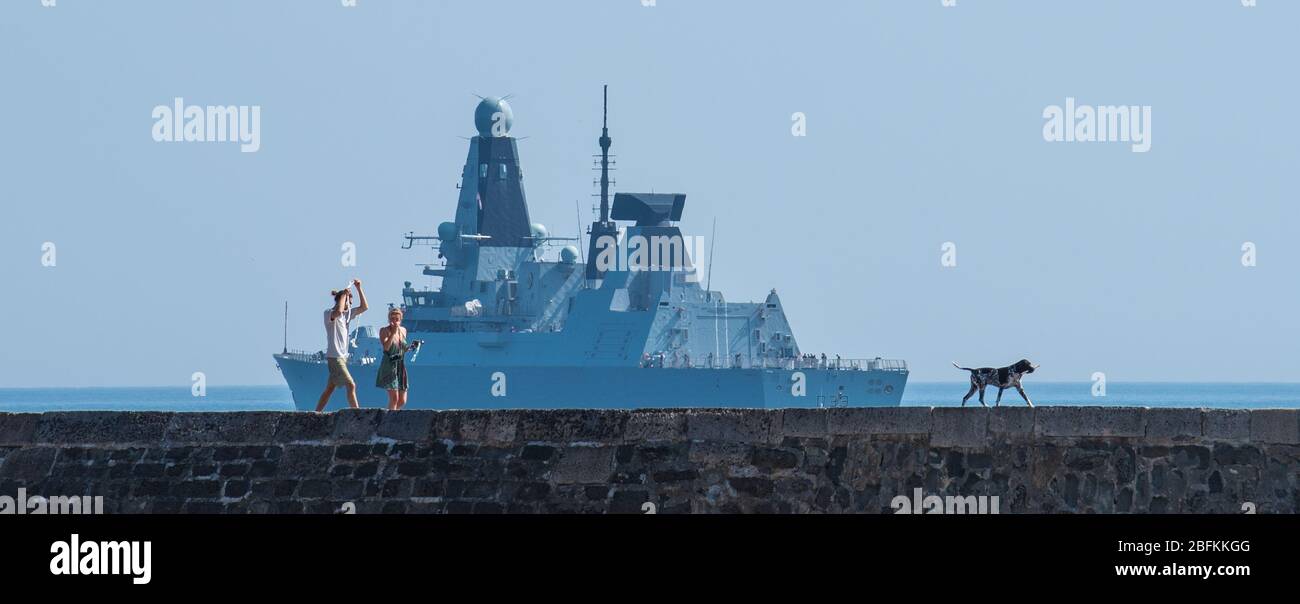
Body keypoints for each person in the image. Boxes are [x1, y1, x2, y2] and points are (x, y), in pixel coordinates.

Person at [315, 280, 369, 412]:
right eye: (348, 302)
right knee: (351, 385)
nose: (350, 305)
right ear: (341, 300)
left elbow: (364, 307)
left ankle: (316, 412)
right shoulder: (329, 313)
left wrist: (358, 288)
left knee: (329, 389)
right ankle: (357, 413)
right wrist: (344, 295)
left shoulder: (347, 315)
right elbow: (338, 312)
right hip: (335, 357)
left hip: (342, 358)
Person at [377, 307, 420, 411]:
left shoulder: (403, 330)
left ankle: (391, 414)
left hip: (400, 366)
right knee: (394, 398)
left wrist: (412, 347)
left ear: (400, 319)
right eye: (392, 318)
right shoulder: (384, 331)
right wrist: (393, 333)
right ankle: (388, 420)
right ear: (389, 319)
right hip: (389, 365)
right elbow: (386, 347)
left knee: (402, 401)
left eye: (397, 318)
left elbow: (403, 349)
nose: (394, 321)